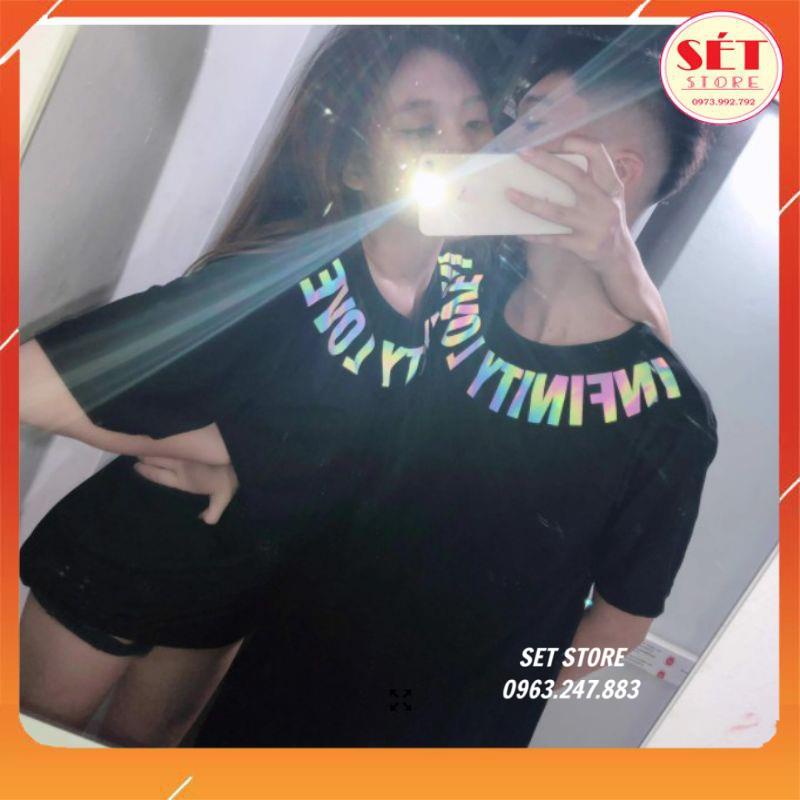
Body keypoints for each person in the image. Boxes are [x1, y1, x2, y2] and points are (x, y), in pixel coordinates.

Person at [19, 26, 667, 746]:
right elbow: (30, 385)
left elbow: (650, 384)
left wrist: (616, 250)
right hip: (131, 558)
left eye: (476, 123)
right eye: (421, 129)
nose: (461, 149)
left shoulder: (477, 294)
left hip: (243, 595)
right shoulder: (288, 279)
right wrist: (208, 445)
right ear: (357, 164)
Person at [190, 30, 717, 747]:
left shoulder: (668, 414)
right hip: (281, 673)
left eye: (534, 122)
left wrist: (483, 692)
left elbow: (620, 626)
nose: (498, 142)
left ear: (613, 174)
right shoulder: (453, 282)